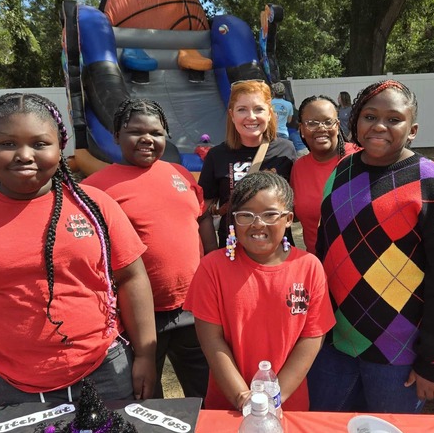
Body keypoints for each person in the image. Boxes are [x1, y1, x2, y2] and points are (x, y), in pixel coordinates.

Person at [0, 93, 157, 433]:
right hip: (1, 383)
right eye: (7, 143)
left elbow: (132, 277)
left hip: (104, 372)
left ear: (60, 147)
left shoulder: (97, 207)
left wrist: (145, 355)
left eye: (40, 143)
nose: (24, 155)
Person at [308, 79, 434, 413]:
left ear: (412, 130)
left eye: (394, 119)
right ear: (355, 121)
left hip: (400, 355)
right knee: (326, 432)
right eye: (370, 116)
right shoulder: (342, 171)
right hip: (335, 343)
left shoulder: (432, 184)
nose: (379, 126)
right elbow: (325, 251)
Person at [83, 98, 209, 399]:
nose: (147, 139)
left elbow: (202, 219)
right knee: (146, 399)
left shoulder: (180, 174)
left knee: (207, 393)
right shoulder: (94, 189)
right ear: (116, 136)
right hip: (138, 317)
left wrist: (212, 267)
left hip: (192, 307)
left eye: (156, 132)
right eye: (135, 132)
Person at [184, 172, 335, 411]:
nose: (257, 224)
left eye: (270, 214)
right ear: (233, 220)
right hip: (228, 406)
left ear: (288, 219)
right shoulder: (212, 268)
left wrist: (274, 398)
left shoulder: (309, 267)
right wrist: (242, 397)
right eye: (246, 215)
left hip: (287, 406)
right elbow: (211, 340)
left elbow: (312, 337)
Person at [198, 79, 296, 254]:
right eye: (242, 109)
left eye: (258, 109)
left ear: (270, 113)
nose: (251, 116)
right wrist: (212, 252)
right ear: (232, 115)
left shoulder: (286, 151)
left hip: (277, 251)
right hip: (233, 250)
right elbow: (203, 209)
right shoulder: (216, 155)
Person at [290, 95, 359, 254]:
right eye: (312, 123)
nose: (321, 128)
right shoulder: (299, 167)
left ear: (338, 125)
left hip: (358, 261)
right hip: (317, 261)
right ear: (301, 129)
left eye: (328, 122)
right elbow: (297, 215)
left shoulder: (359, 159)